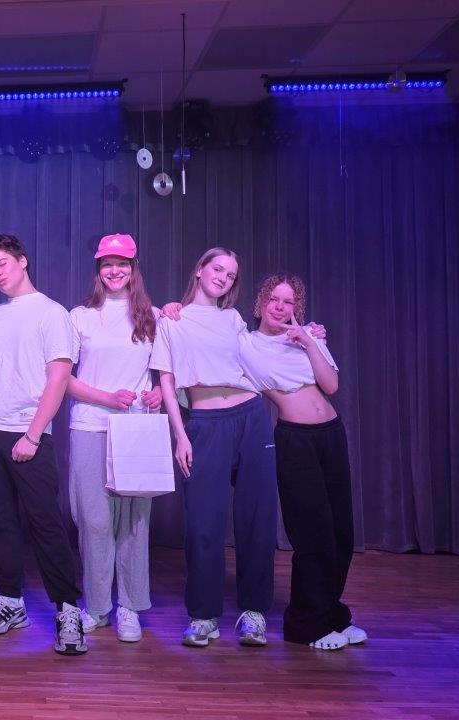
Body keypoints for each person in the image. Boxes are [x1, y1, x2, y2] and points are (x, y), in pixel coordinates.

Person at [151, 247, 277, 648]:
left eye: (231, 274)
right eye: (217, 269)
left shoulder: (234, 319)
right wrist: (181, 435)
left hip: (251, 416)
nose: (223, 277)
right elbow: (167, 381)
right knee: (203, 523)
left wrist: (310, 336)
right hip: (206, 423)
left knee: (256, 518)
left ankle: (254, 613)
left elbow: (263, 355)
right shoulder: (172, 318)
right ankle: (203, 616)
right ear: (200, 270)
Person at [0, 234, 87, 656]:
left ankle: (68, 609)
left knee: (45, 523)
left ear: (22, 261)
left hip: (28, 431)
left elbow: (59, 378)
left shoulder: (53, 313)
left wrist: (33, 435)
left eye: (2, 263)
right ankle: (10, 602)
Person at [241, 272, 365, 651]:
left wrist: (309, 341)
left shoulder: (309, 336)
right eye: (274, 299)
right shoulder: (247, 343)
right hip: (296, 440)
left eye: (289, 301)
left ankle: (331, 615)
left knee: (341, 533)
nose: (280, 307)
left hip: (331, 435)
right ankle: (305, 625)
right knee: (313, 533)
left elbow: (331, 386)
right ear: (260, 302)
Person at [65, 234, 164, 643]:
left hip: (136, 430)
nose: (115, 270)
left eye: (122, 263)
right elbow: (63, 379)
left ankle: (130, 607)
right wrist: (106, 398)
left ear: (133, 268)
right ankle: (97, 606)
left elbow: (169, 374)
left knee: (134, 523)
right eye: (107, 263)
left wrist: (161, 395)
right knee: (93, 521)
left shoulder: (153, 316)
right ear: (98, 269)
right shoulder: (80, 316)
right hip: (90, 425)